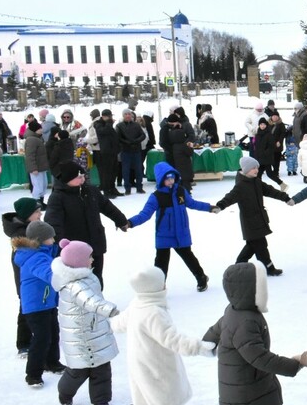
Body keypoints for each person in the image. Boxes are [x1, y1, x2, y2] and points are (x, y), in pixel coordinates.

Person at [204, 261, 307, 405]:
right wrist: (292, 365)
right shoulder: (245, 321)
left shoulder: (235, 311)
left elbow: (216, 329)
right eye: (260, 286)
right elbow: (259, 357)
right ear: (249, 290)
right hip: (243, 385)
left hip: (253, 382)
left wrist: (207, 342)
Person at [111, 266, 216, 405]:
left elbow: (119, 323)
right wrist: (198, 347)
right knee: (161, 400)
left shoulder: (138, 304)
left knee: (156, 399)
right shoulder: (153, 312)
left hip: (145, 361)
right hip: (155, 364)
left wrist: (110, 324)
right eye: (162, 283)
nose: (165, 285)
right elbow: (172, 339)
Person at [127, 162, 218, 291]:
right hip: (164, 234)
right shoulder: (156, 197)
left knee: (188, 257)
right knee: (161, 263)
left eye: (172, 178)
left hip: (181, 232)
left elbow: (193, 203)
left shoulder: (180, 191)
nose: (171, 181)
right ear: (161, 180)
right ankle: (159, 285)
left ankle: (201, 277)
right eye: (167, 179)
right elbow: (145, 214)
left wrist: (209, 208)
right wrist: (130, 223)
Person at [52, 239, 119, 405]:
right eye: (89, 257)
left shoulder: (86, 277)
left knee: (102, 368)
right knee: (78, 371)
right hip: (80, 337)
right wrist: (111, 310)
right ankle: (65, 392)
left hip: (94, 330)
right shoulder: (74, 285)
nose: (93, 259)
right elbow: (91, 301)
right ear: (78, 261)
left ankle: (101, 401)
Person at [45, 161, 129, 289]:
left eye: (83, 176)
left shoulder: (91, 191)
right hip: (75, 248)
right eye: (79, 177)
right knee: (78, 280)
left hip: (96, 243)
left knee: (96, 276)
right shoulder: (57, 197)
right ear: (67, 179)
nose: (83, 179)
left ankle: (98, 297)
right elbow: (53, 223)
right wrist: (59, 245)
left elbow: (107, 207)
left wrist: (121, 220)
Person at [214, 157, 290, 276]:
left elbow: (270, 191)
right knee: (260, 246)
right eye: (253, 168)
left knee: (252, 246)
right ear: (246, 170)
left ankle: (239, 266)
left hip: (260, 219)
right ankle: (268, 268)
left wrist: (285, 198)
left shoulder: (256, 181)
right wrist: (220, 206)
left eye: (257, 168)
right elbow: (230, 197)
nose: (256, 170)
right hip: (250, 222)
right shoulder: (241, 186)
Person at [14, 220, 63, 387]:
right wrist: (61, 278)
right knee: (42, 338)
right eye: (50, 237)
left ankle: (52, 362)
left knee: (53, 334)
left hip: (47, 302)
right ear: (40, 240)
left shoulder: (44, 253)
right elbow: (47, 273)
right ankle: (33, 374)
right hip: (35, 305)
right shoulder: (35, 257)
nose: (54, 240)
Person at [3, 197, 42, 357]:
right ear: (27, 214)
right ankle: (24, 343)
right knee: (26, 309)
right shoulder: (22, 234)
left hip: (34, 278)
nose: (40, 214)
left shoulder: (31, 228)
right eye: (37, 212)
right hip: (26, 280)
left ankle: (42, 335)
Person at [115, 110, 146, 195]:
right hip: (125, 150)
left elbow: (143, 135)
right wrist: (128, 142)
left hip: (136, 150)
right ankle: (127, 188)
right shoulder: (119, 126)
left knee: (138, 169)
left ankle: (139, 187)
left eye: (129, 114)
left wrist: (136, 141)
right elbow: (118, 137)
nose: (128, 116)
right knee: (126, 170)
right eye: (126, 114)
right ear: (123, 116)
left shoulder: (136, 125)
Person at [93, 109, 121, 197]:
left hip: (113, 151)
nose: (109, 118)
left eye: (110, 116)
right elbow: (104, 131)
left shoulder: (109, 125)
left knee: (114, 172)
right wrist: (109, 123)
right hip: (105, 152)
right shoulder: (98, 124)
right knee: (106, 173)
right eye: (108, 117)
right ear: (103, 116)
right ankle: (106, 191)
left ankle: (112, 188)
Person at [23, 119, 49, 201]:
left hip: (41, 167)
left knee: (43, 185)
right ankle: (36, 202)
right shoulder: (32, 140)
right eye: (40, 128)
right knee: (38, 186)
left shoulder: (38, 138)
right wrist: (33, 168)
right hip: (36, 168)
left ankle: (41, 201)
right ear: (35, 130)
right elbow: (30, 156)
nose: (41, 130)